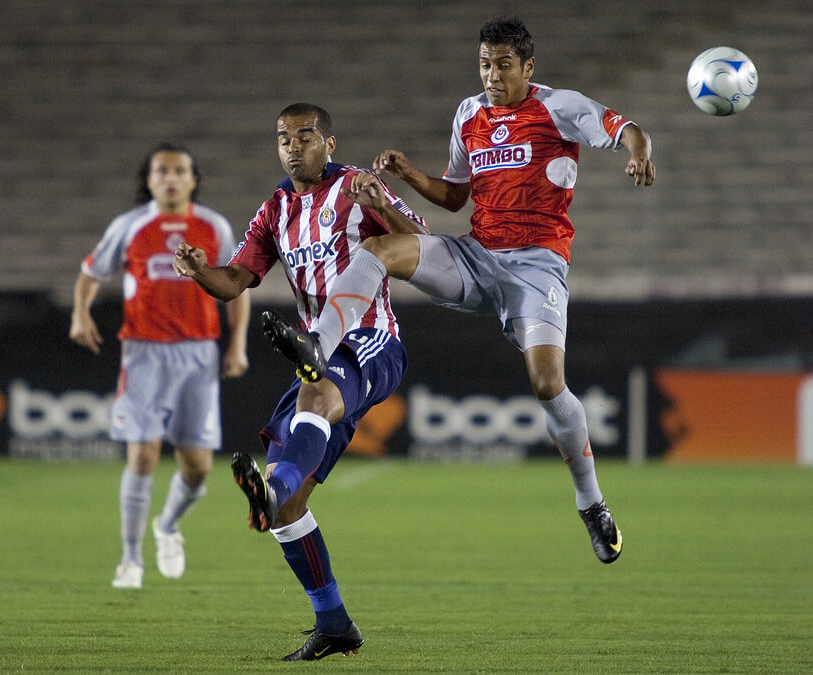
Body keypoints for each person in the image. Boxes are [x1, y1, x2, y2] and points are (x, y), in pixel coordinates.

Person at [262, 16, 657, 565]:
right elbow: (453, 198)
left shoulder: (558, 106)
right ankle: (318, 347)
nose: (492, 75)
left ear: (528, 67)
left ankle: (591, 502)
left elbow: (626, 128)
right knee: (379, 251)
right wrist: (410, 175)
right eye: (484, 64)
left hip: (536, 267)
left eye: (503, 65)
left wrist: (638, 153)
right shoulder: (469, 114)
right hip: (475, 255)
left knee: (547, 385)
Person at [172, 102, 428, 660]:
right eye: (283, 137)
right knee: (289, 510)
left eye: (306, 136)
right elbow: (237, 278)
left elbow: (424, 250)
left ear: (329, 144)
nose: (293, 145)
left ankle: (276, 485)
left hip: (370, 340)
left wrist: (384, 204)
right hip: (317, 353)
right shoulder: (275, 210)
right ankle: (334, 624)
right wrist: (200, 273)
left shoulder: (358, 187)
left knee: (313, 391)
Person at [70, 142, 250, 589]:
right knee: (144, 454)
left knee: (197, 469)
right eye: (161, 171)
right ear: (149, 180)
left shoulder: (213, 227)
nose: (170, 178)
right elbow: (92, 271)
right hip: (144, 352)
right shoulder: (130, 226)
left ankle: (167, 526)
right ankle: (130, 560)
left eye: (179, 170)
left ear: (193, 179)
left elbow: (236, 283)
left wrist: (237, 344)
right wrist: (80, 312)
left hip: (198, 353)